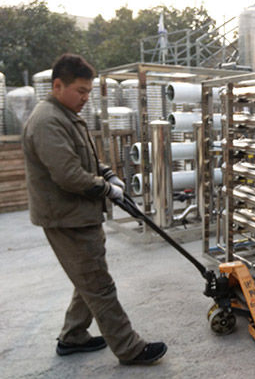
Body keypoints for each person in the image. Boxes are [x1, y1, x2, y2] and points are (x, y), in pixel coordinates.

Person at [23, 53, 167, 365]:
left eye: (89, 91)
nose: (86, 98)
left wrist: (109, 174)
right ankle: (130, 348)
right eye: (81, 91)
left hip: (80, 214)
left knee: (88, 278)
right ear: (58, 85)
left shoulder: (65, 114)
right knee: (99, 285)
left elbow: (85, 159)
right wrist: (106, 189)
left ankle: (73, 336)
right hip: (67, 218)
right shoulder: (48, 121)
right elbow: (69, 175)